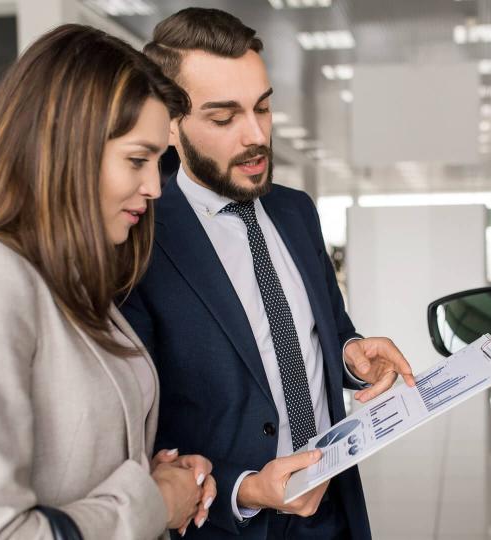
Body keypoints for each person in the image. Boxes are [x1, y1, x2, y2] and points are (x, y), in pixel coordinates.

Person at [0, 25, 216, 539]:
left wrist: (167, 480)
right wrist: (151, 502)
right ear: (67, 148)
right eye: (137, 160)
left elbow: (76, 466)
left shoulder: (72, 283)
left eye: (160, 163)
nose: (154, 187)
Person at [120, 8, 415, 539]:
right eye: (223, 118)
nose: (255, 136)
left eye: (263, 107)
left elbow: (325, 328)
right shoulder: (139, 237)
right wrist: (247, 488)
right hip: (231, 523)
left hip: (335, 510)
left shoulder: (295, 210)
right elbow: (134, 433)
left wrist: (352, 355)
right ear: (169, 122)